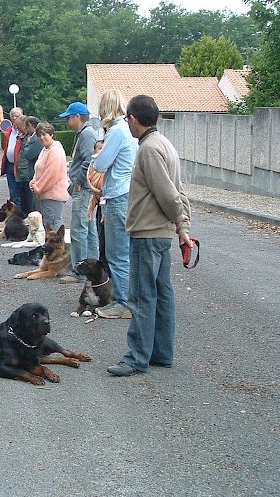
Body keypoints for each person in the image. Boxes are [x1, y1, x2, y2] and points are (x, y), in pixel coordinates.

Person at [107, 94, 193, 377]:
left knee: (142, 296)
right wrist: (182, 229)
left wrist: (180, 222)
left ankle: (136, 358)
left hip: (147, 232)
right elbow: (179, 191)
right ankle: (161, 352)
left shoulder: (148, 149)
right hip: (161, 234)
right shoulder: (165, 144)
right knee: (163, 294)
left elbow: (168, 195)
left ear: (133, 119)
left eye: (127, 119)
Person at [92, 89, 138, 320]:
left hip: (117, 195)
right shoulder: (128, 131)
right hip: (127, 193)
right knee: (126, 252)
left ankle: (123, 303)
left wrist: (95, 159)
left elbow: (100, 164)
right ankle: (129, 298)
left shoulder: (116, 132)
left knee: (117, 254)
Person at [58, 102, 99, 284]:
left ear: (77, 117)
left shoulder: (87, 134)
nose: (67, 122)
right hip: (86, 188)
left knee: (79, 230)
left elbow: (89, 161)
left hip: (83, 189)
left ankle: (80, 271)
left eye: (68, 118)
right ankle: (92, 269)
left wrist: (79, 182)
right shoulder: (87, 133)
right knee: (89, 230)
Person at [29, 122, 68, 231]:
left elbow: (51, 174)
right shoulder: (46, 149)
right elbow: (39, 170)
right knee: (49, 224)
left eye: (44, 134)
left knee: (53, 226)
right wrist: (33, 181)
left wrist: (38, 187)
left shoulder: (55, 151)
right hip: (46, 194)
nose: (42, 137)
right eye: (39, 135)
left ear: (51, 134)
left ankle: (57, 244)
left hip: (53, 195)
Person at [86, 140, 109, 269]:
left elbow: (100, 186)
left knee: (109, 240)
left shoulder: (108, 166)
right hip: (99, 204)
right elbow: (92, 183)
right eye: (98, 148)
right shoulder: (93, 167)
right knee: (101, 238)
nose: (100, 151)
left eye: (103, 148)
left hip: (108, 205)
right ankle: (102, 266)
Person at [16, 115, 42, 216]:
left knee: (32, 204)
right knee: (25, 204)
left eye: (25, 126)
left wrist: (24, 150)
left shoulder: (36, 138)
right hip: (25, 174)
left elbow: (29, 154)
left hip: (30, 174)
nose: (24, 129)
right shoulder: (28, 137)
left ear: (30, 125)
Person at [0, 107, 24, 212]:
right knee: (13, 194)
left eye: (17, 116)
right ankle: (14, 215)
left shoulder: (24, 132)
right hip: (10, 165)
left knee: (21, 194)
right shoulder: (8, 132)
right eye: (12, 116)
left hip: (20, 167)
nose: (14, 118)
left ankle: (21, 215)